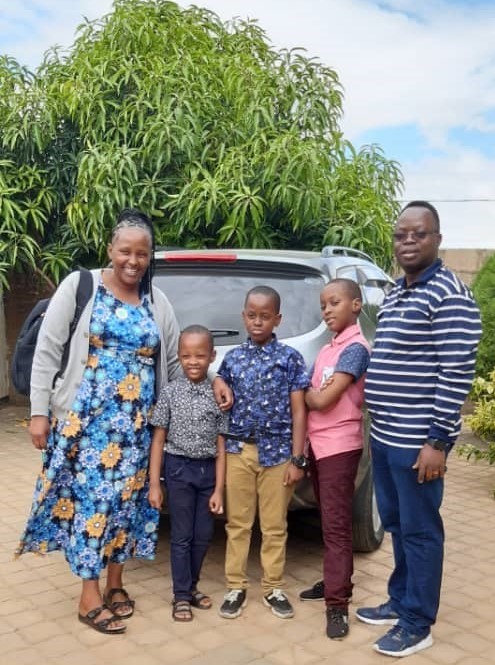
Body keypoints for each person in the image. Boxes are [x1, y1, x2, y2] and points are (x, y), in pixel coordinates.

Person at [15, 208, 183, 634]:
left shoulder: (156, 301)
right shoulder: (81, 285)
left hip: (139, 429)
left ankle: (115, 583)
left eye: (142, 254)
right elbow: (48, 351)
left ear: (149, 257)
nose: (133, 261)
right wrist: (39, 413)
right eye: (125, 251)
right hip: (85, 426)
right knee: (93, 507)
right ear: (110, 249)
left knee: (127, 506)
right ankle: (88, 594)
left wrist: (208, 390)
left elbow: (177, 363)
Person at [356, 201, 482, 657]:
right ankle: (400, 598)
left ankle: (417, 622)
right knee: (397, 524)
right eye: (400, 234)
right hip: (387, 436)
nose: (407, 241)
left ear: (438, 239)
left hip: (417, 444)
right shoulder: (396, 290)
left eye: (418, 234)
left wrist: (438, 441)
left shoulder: (449, 295)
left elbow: (455, 373)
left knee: (422, 530)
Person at [216, 285, 310, 620]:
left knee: (274, 526)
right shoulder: (233, 359)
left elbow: (300, 412)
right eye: (252, 315)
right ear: (244, 316)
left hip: (278, 455)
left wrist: (298, 459)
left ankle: (273, 587)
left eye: (265, 316)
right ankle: (236, 586)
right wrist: (219, 383)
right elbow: (219, 384)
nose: (258, 322)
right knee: (238, 524)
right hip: (240, 451)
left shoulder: (289, 359)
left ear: (277, 319)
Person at [299, 279, 370, 639]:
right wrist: (311, 393)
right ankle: (332, 583)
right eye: (324, 304)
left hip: (339, 448)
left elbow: (323, 400)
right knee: (329, 521)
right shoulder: (330, 348)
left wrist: (303, 395)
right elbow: (318, 391)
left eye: (335, 303)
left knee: (338, 528)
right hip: (319, 446)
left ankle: (338, 605)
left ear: (356, 305)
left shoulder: (355, 349)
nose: (327, 309)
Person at [148, 325, 228, 622]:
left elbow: (221, 445)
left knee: (203, 535)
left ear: (212, 356)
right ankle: (180, 595)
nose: (193, 361)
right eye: (186, 355)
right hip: (178, 469)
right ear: (179, 357)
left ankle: (192, 587)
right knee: (181, 536)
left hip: (208, 473)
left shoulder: (219, 394)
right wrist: (155, 483)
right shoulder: (169, 392)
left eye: (200, 355)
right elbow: (158, 440)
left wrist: (219, 489)